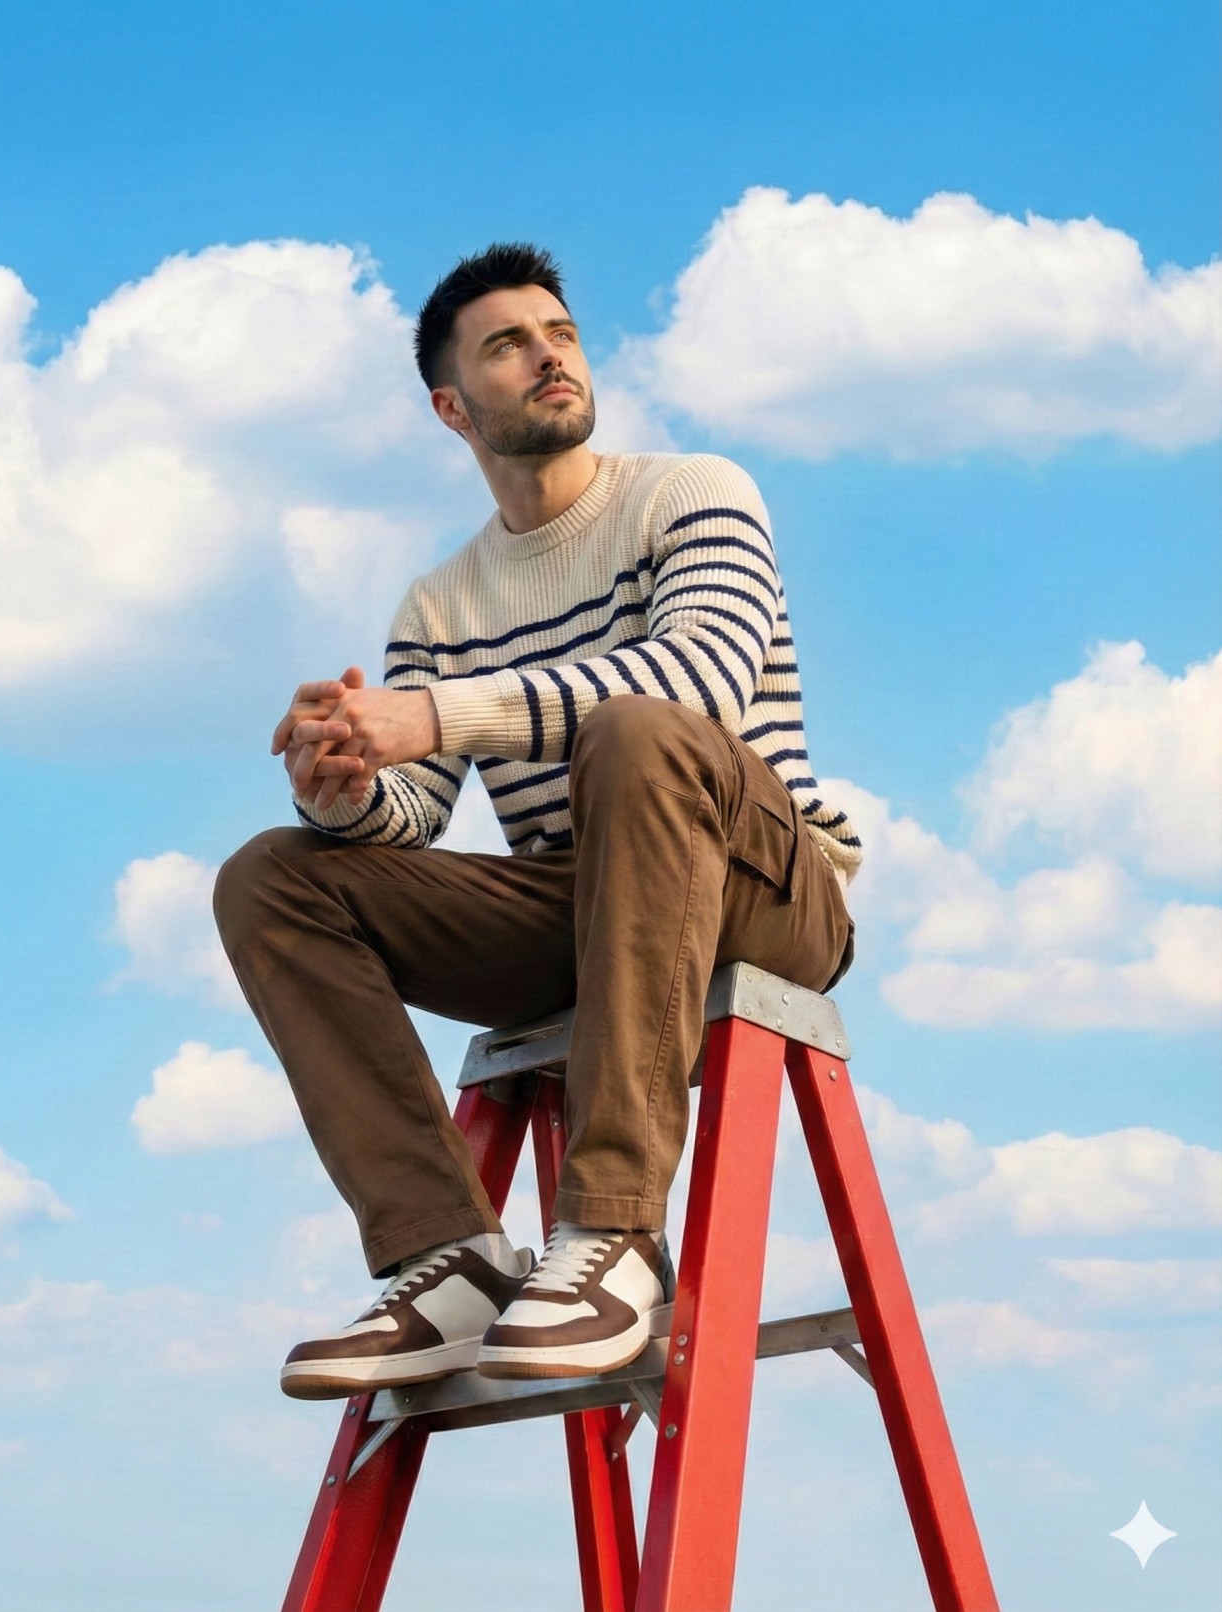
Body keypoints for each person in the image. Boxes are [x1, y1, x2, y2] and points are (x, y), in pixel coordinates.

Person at [213, 243, 861, 1399]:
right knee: (272, 874)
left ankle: (614, 1232)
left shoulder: (694, 491)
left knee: (638, 727)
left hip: (767, 884)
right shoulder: (439, 602)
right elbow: (416, 813)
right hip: (583, 905)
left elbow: (698, 683)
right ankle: (447, 1256)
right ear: (453, 407)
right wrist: (349, 787)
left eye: (559, 332)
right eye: (509, 343)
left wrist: (432, 712)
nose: (549, 354)